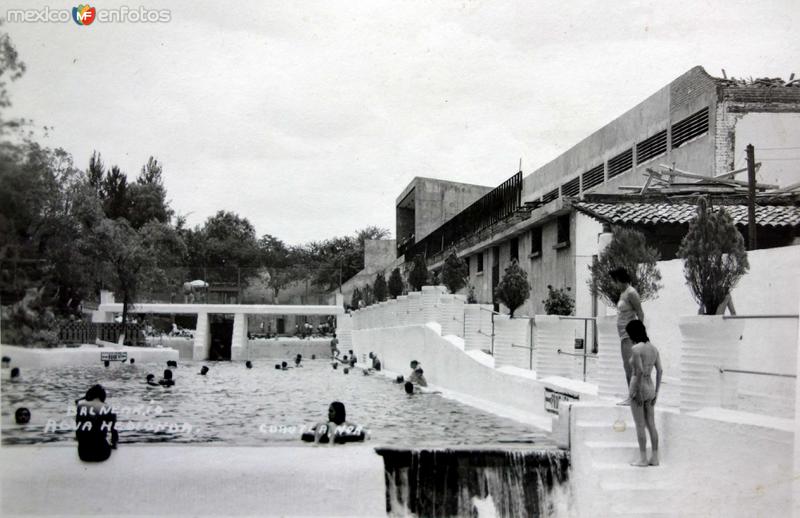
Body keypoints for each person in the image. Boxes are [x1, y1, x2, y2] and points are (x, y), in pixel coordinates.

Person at [625, 320, 662, 467]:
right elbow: (660, 370)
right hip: (651, 387)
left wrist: (638, 392)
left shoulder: (636, 349)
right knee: (651, 424)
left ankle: (642, 459)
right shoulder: (654, 349)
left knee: (640, 425)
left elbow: (638, 371)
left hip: (638, 387)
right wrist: (656, 392)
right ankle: (655, 458)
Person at [609, 267, 644, 405]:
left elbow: (640, 313)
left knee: (631, 366)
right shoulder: (623, 293)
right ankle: (634, 395)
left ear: (619, 279)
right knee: (627, 365)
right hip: (623, 334)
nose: (613, 284)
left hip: (630, 334)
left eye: (614, 281)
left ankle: (633, 397)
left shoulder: (631, 293)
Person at [75, 384, 118, 462]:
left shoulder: (81, 406)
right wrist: (114, 445)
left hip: (83, 453)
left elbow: (78, 430)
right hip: (102, 453)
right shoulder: (108, 408)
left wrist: (85, 398)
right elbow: (114, 431)